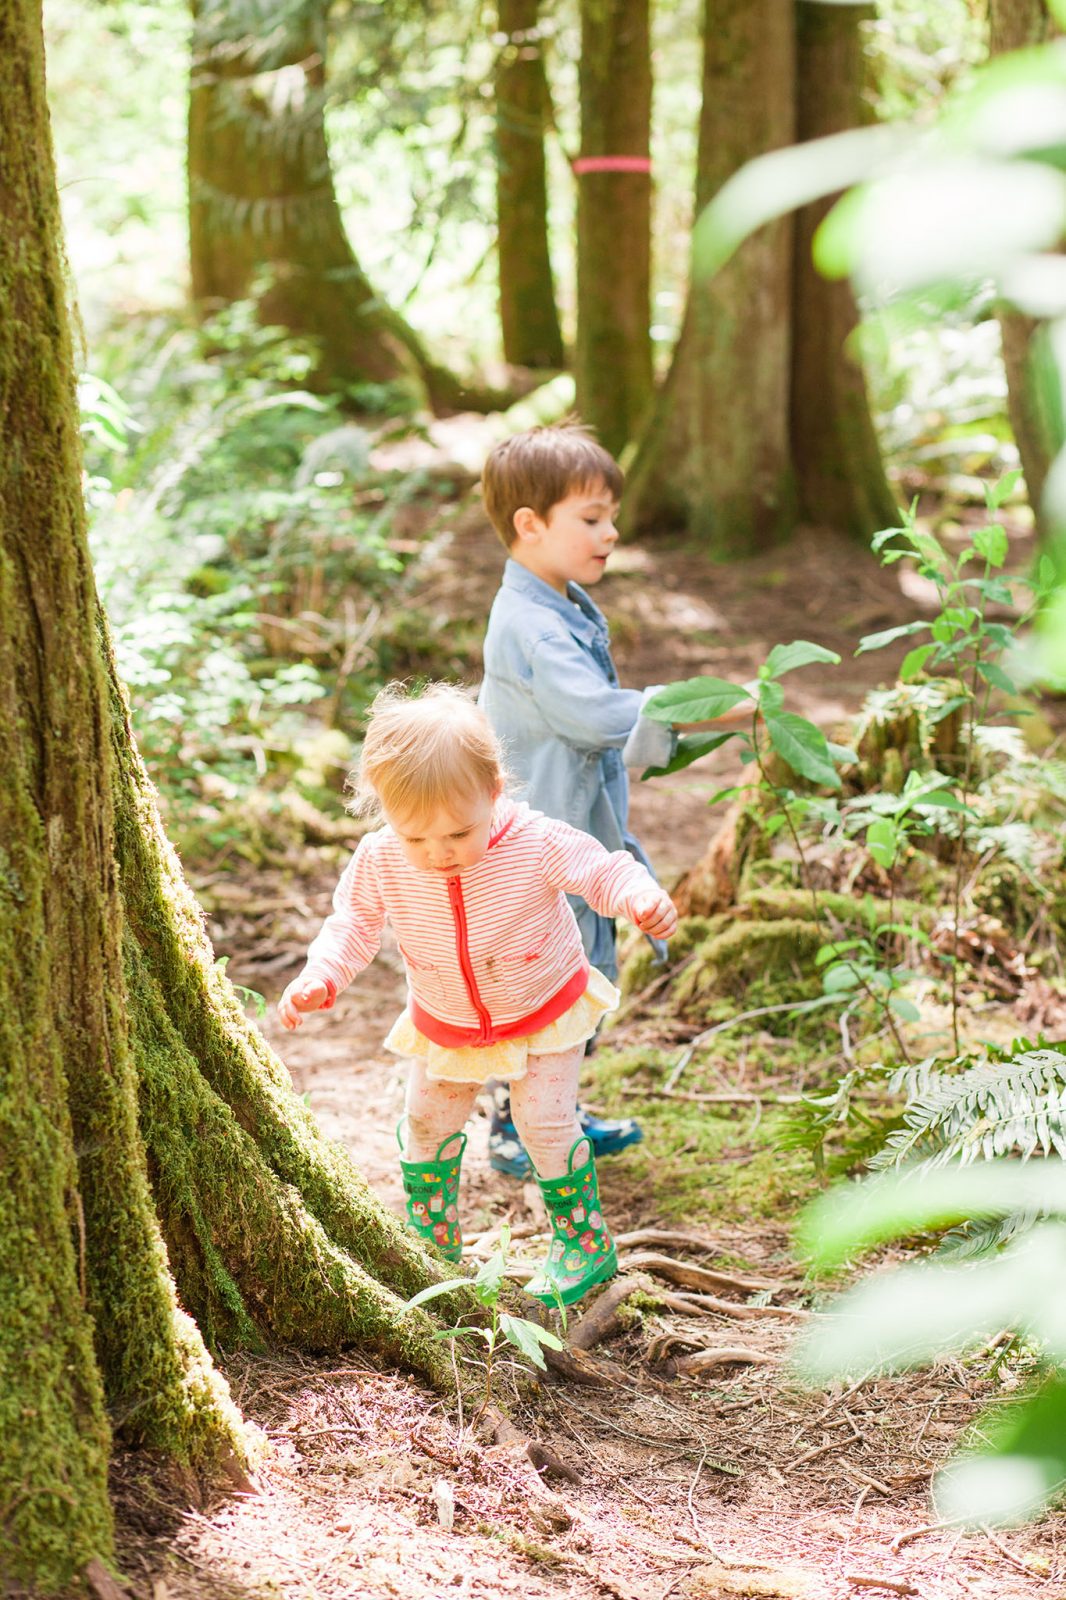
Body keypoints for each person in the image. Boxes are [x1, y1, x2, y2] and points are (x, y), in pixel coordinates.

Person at [278, 683, 677, 1307]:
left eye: (459, 834)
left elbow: (601, 868)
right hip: (447, 1018)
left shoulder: (534, 840)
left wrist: (639, 898)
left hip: (544, 1005)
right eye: (417, 839)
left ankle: (583, 1242)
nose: (438, 855)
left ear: (493, 791)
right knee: (426, 1122)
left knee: (543, 1123)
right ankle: (432, 1240)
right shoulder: (382, 857)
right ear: (384, 811)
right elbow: (352, 922)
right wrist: (321, 975)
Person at [478, 421, 675, 1178]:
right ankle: (514, 1123)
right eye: (590, 519)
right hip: (543, 835)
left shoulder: (559, 603)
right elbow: (594, 716)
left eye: (610, 517)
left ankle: (554, 1110)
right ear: (530, 525)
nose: (611, 533)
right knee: (546, 977)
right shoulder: (531, 624)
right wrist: (689, 705)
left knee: (583, 974)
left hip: (573, 824)